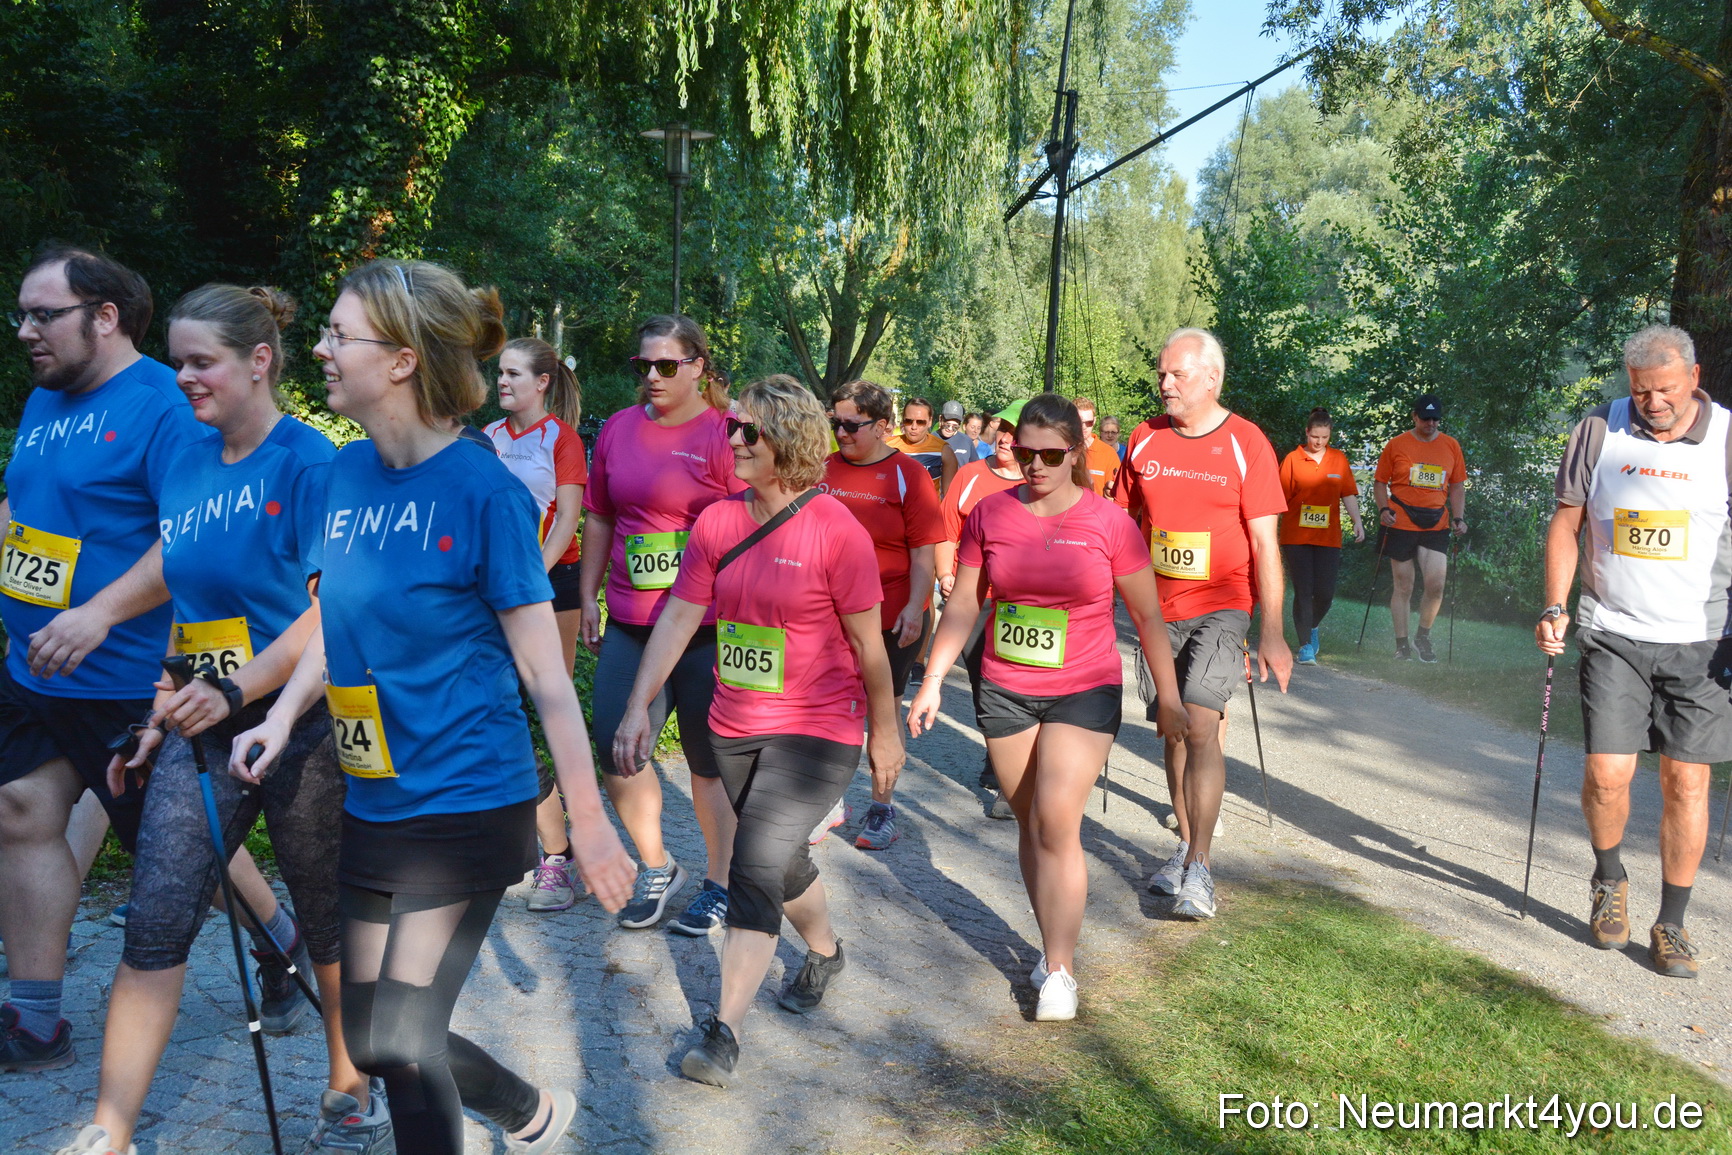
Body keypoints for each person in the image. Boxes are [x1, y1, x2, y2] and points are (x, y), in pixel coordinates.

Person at [232, 259, 635, 1155]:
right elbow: (335, 618)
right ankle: (526, 1107)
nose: (324, 351)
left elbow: (546, 677)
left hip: (465, 800)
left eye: (341, 335)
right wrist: (279, 710)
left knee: (402, 1037)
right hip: (372, 797)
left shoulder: (484, 492)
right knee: (379, 1042)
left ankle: (517, 1108)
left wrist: (592, 820)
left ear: (404, 359)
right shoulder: (339, 477)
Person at [55, 285, 386, 1155]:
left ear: (259, 361)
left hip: (302, 724)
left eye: (202, 362)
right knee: (156, 915)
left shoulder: (310, 463)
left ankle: (351, 1084)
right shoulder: (190, 462)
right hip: (202, 725)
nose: (185, 378)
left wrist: (245, 694)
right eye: (179, 361)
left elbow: (329, 613)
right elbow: (189, 606)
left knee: (324, 915)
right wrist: (162, 713)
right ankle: (110, 1127)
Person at [613, 374, 903, 1087]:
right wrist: (636, 705)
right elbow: (679, 618)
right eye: (732, 427)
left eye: (749, 430)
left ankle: (724, 1032)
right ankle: (826, 950)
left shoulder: (838, 531)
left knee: (752, 858)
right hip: (734, 722)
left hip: (817, 729)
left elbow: (870, 647)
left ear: (789, 441)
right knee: (779, 861)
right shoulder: (716, 522)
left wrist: (886, 732)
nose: (733, 439)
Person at [0, 245, 216, 1074]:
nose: (25, 331)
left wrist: (96, 613)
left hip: (128, 673)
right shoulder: (45, 396)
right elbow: (24, 499)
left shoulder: (167, 404)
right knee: (19, 808)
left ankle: (281, 935)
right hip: (33, 667)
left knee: (177, 847)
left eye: (41, 314)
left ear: (105, 317)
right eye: (20, 314)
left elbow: (191, 539)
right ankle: (37, 1016)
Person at [909, 393, 1186, 1020]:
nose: (1034, 465)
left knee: (1058, 819)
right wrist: (932, 680)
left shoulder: (1109, 523)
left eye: (1050, 455)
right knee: (1031, 819)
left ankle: (1060, 969)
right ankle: (1047, 943)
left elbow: (1147, 614)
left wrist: (1167, 699)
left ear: (1075, 453)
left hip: (1083, 687)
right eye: (1025, 451)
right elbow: (964, 606)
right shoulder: (990, 514)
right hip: (1005, 687)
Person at [1536, 324, 1729, 980]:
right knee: (1607, 773)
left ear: (1694, 378)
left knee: (1687, 780)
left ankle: (1671, 921)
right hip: (1614, 630)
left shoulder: (1726, 438)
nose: (1652, 402)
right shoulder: (1599, 430)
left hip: (1700, 642)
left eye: (1666, 390)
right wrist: (1555, 604)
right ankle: (1608, 877)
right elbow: (1566, 523)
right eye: (1641, 390)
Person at [1116, 328, 1292, 921]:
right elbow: (1122, 522)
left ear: (1211, 378)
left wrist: (1271, 632)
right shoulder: (1143, 438)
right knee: (1171, 725)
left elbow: (1267, 544)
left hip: (1224, 603)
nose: (1164, 384)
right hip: (1157, 608)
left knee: (1200, 720)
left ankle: (1202, 867)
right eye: (1162, 374)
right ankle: (1185, 847)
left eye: (1177, 375)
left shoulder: (1247, 443)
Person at [579, 316, 743, 935]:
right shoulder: (620, 428)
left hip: (707, 629)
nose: (651, 376)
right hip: (631, 621)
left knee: (709, 763)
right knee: (614, 747)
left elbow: (752, 524)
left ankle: (720, 883)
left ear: (698, 366)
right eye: (642, 365)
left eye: (666, 365)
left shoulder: (727, 434)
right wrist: (590, 594)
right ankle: (658, 864)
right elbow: (598, 515)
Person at [484, 338, 589, 913]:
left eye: (514, 374)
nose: (502, 382)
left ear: (543, 381)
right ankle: (542, 841)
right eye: (498, 373)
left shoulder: (561, 438)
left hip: (551, 588)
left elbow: (568, 518)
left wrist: (527, 581)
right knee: (497, 710)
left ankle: (562, 857)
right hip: (492, 594)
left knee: (549, 710)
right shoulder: (489, 438)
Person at [822, 379, 946, 849]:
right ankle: (827, 800)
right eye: (836, 422)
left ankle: (881, 807)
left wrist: (916, 608)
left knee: (882, 710)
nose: (842, 432)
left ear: (880, 426)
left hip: (889, 614)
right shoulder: (821, 469)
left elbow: (923, 552)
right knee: (827, 707)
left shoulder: (908, 475)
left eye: (852, 425)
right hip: (827, 615)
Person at [936, 415, 1026, 814]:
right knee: (981, 680)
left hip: (1018, 601)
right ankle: (998, 754)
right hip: (973, 596)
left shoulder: (1039, 481)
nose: (1006, 438)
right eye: (1003, 430)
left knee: (1012, 680)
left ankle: (1012, 769)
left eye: (1016, 433)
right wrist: (944, 573)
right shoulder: (971, 474)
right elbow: (946, 531)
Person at [1373, 393, 1467, 662]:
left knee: (1436, 584)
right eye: (1425, 418)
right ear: (1414, 416)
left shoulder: (1451, 446)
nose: (1431, 423)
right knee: (1404, 585)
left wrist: (1459, 517)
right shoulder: (1396, 445)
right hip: (1400, 520)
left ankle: (1422, 637)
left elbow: (1458, 485)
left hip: (1436, 523)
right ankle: (1401, 644)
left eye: (1436, 418)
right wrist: (1383, 510)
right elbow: (1380, 482)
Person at [1279, 408, 1365, 664]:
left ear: (1330, 435)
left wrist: (1357, 521)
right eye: (1315, 437)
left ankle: (1312, 626)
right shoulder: (1293, 460)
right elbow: (1279, 499)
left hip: (1328, 538)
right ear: (1307, 432)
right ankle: (1305, 644)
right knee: (1304, 591)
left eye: (1324, 437)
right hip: (1296, 536)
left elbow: (1348, 493)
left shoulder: (1338, 460)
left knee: (1325, 593)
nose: (1318, 442)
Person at [886, 397, 959, 495]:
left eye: (920, 422)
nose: (914, 427)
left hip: (928, 509)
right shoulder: (887, 446)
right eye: (908, 421)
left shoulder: (943, 450)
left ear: (929, 422)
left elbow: (949, 496)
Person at [1072, 396, 1120, 498]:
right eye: (1078, 421)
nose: (1083, 426)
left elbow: (1116, 492)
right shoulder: (1062, 449)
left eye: (1088, 423)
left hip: (1097, 512)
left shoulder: (1108, 453)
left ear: (1094, 421)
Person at [939, 400, 973, 464]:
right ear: (940, 419)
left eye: (955, 426)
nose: (950, 428)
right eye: (947, 425)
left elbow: (974, 467)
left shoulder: (966, 441)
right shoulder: (930, 440)